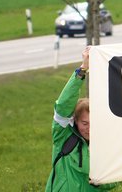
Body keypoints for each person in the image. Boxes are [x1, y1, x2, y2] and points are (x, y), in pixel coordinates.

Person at [47, 47, 116, 192]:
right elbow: (63, 106)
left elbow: (117, 176)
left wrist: (101, 182)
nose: (89, 128)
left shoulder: (105, 144)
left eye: (93, 124)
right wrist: (82, 70)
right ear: (75, 121)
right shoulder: (62, 136)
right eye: (85, 123)